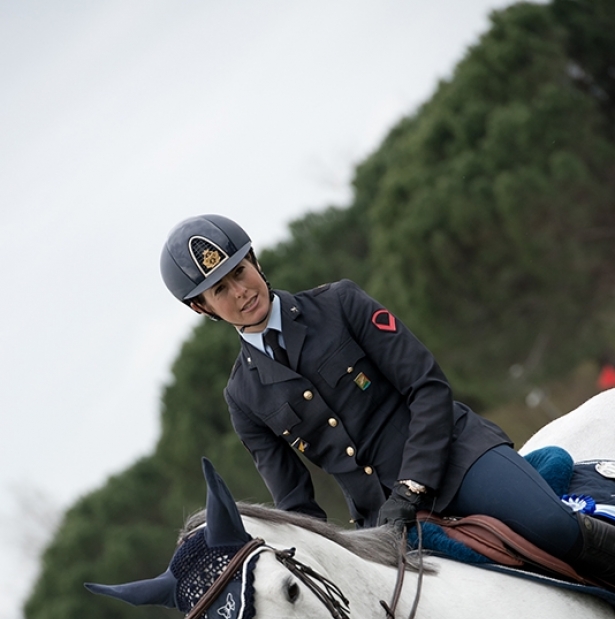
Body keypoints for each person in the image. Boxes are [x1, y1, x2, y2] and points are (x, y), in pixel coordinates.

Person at [159, 214, 615, 589]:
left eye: (239, 271)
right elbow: (296, 503)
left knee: (553, 529)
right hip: (383, 525)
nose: (241, 292)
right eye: (221, 289)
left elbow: (428, 386)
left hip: (456, 461)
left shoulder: (340, 304)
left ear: (255, 262)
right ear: (202, 308)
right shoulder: (242, 396)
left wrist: (412, 487)